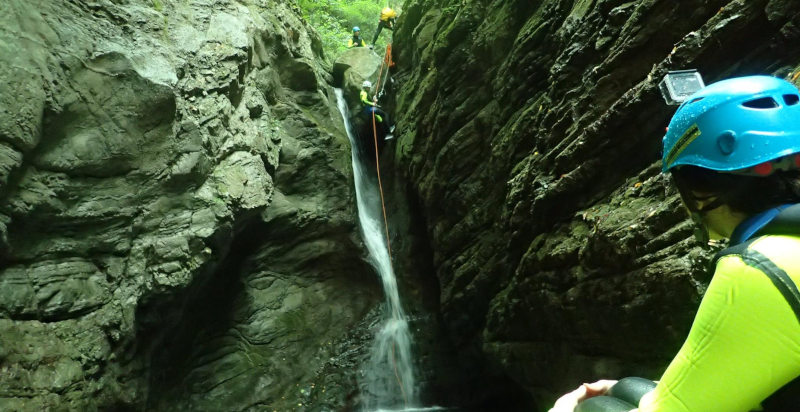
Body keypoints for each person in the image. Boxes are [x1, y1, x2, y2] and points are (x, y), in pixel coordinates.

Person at [551, 75, 800, 412]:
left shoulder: (757, 270)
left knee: (592, 409)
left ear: (698, 190)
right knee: (627, 389)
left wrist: (563, 410)